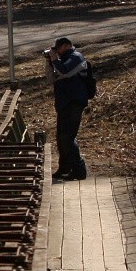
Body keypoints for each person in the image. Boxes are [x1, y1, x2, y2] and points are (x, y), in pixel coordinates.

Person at [46, 37, 90, 181]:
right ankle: (64, 168)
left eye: (58, 48)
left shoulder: (76, 57)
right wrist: (49, 63)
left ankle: (79, 169)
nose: (56, 51)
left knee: (67, 137)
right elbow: (50, 80)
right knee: (61, 137)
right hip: (64, 103)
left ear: (67, 45)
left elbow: (65, 72)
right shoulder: (61, 60)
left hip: (74, 103)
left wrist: (55, 60)